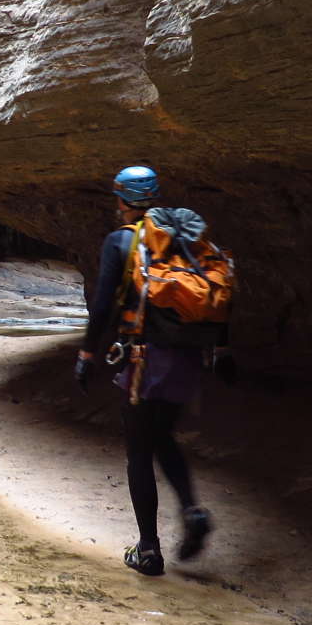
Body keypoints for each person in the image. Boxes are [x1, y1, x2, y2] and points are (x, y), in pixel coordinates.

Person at [75, 164, 225, 577]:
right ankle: (192, 510)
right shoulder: (187, 238)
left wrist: (87, 353)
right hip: (186, 358)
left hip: (144, 360)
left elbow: (103, 305)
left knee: (139, 450)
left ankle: (148, 549)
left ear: (123, 200)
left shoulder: (122, 241)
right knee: (163, 436)